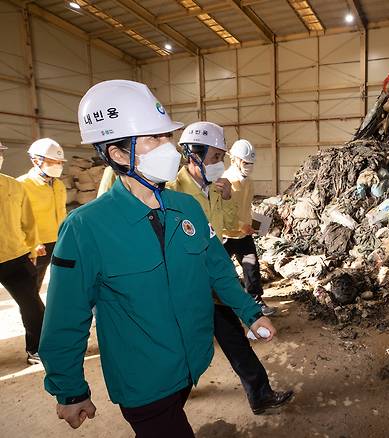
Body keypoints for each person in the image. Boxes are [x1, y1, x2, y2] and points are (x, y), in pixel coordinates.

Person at [39, 80, 276, 437]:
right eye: (154, 139)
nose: (170, 148)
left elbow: (217, 270)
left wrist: (250, 311)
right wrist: (69, 387)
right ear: (118, 154)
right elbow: (65, 316)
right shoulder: (85, 228)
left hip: (191, 363)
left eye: (167, 137)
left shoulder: (188, 209)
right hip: (142, 380)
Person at [169, 121, 293, 415]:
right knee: (183, 349)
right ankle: (169, 404)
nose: (220, 164)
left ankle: (260, 395)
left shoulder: (213, 190)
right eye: (215, 158)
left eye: (221, 158)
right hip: (184, 289)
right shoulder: (173, 193)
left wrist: (224, 199)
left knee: (235, 340)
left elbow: (220, 231)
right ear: (193, 156)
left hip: (213, 281)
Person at [0, 140, 44, 365]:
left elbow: (28, 221)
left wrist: (32, 248)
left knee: (33, 307)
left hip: (15, 256)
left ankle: (35, 349)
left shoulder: (14, 186)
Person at [222, 140, 275, 316]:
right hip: (225, 235)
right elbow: (220, 212)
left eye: (251, 164)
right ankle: (222, 306)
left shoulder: (249, 183)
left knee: (252, 268)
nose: (249, 167)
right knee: (221, 271)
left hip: (244, 234)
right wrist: (239, 226)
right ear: (234, 160)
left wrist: (254, 223)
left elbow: (245, 208)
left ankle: (255, 301)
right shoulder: (225, 182)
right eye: (246, 163)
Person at [17, 138, 68, 292]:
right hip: (38, 245)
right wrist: (33, 243)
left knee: (64, 281)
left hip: (60, 241)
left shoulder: (59, 184)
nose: (58, 166)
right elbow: (16, 220)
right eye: (53, 161)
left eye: (60, 162)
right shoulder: (22, 185)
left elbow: (62, 212)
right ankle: (36, 315)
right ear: (36, 161)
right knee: (33, 287)